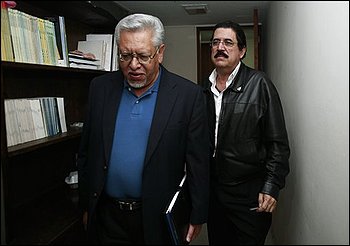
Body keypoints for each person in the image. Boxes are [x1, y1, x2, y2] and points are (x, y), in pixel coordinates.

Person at [77, 13, 210, 245]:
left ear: (160, 53)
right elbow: (87, 152)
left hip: (158, 217)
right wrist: (86, 206)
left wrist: (197, 214)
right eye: (125, 55)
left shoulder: (188, 96)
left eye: (143, 56)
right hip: (108, 215)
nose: (134, 65)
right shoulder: (100, 88)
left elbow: (199, 162)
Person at [203, 21, 290, 245]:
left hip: (249, 194)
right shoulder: (204, 88)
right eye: (215, 42)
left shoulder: (260, 85)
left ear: (242, 51)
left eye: (228, 42)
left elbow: (278, 144)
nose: (220, 47)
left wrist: (271, 186)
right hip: (215, 194)